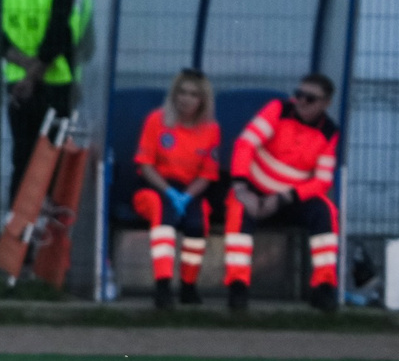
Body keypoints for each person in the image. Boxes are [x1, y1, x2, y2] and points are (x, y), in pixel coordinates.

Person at [223, 73, 342, 314]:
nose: (301, 101)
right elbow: (246, 144)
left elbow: (322, 181)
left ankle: (324, 287)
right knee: (237, 207)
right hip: (254, 190)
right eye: (299, 95)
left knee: (325, 210)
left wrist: (283, 198)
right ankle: (238, 286)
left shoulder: (330, 132)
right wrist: (242, 188)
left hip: (290, 199)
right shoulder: (277, 109)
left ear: (326, 103)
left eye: (311, 98)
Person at [0, 0, 87, 213]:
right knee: (52, 159)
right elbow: (56, 37)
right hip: (54, 85)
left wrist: (24, 73)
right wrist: (34, 75)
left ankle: (16, 237)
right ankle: (45, 233)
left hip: (17, 86)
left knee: (23, 160)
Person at [130, 67, 222, 309]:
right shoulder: (157, 120)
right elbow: (146, 165)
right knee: (164, 217)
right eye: (181, 92)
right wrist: (169, 193)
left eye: (193, 94)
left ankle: (188, 286)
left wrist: (185, 196)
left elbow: (207, 174)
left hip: (190, 190)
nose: (185, 99)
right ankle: (162, 287)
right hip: (154, 186)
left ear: (202, 100)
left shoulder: (211, 130)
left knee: (197, 222)